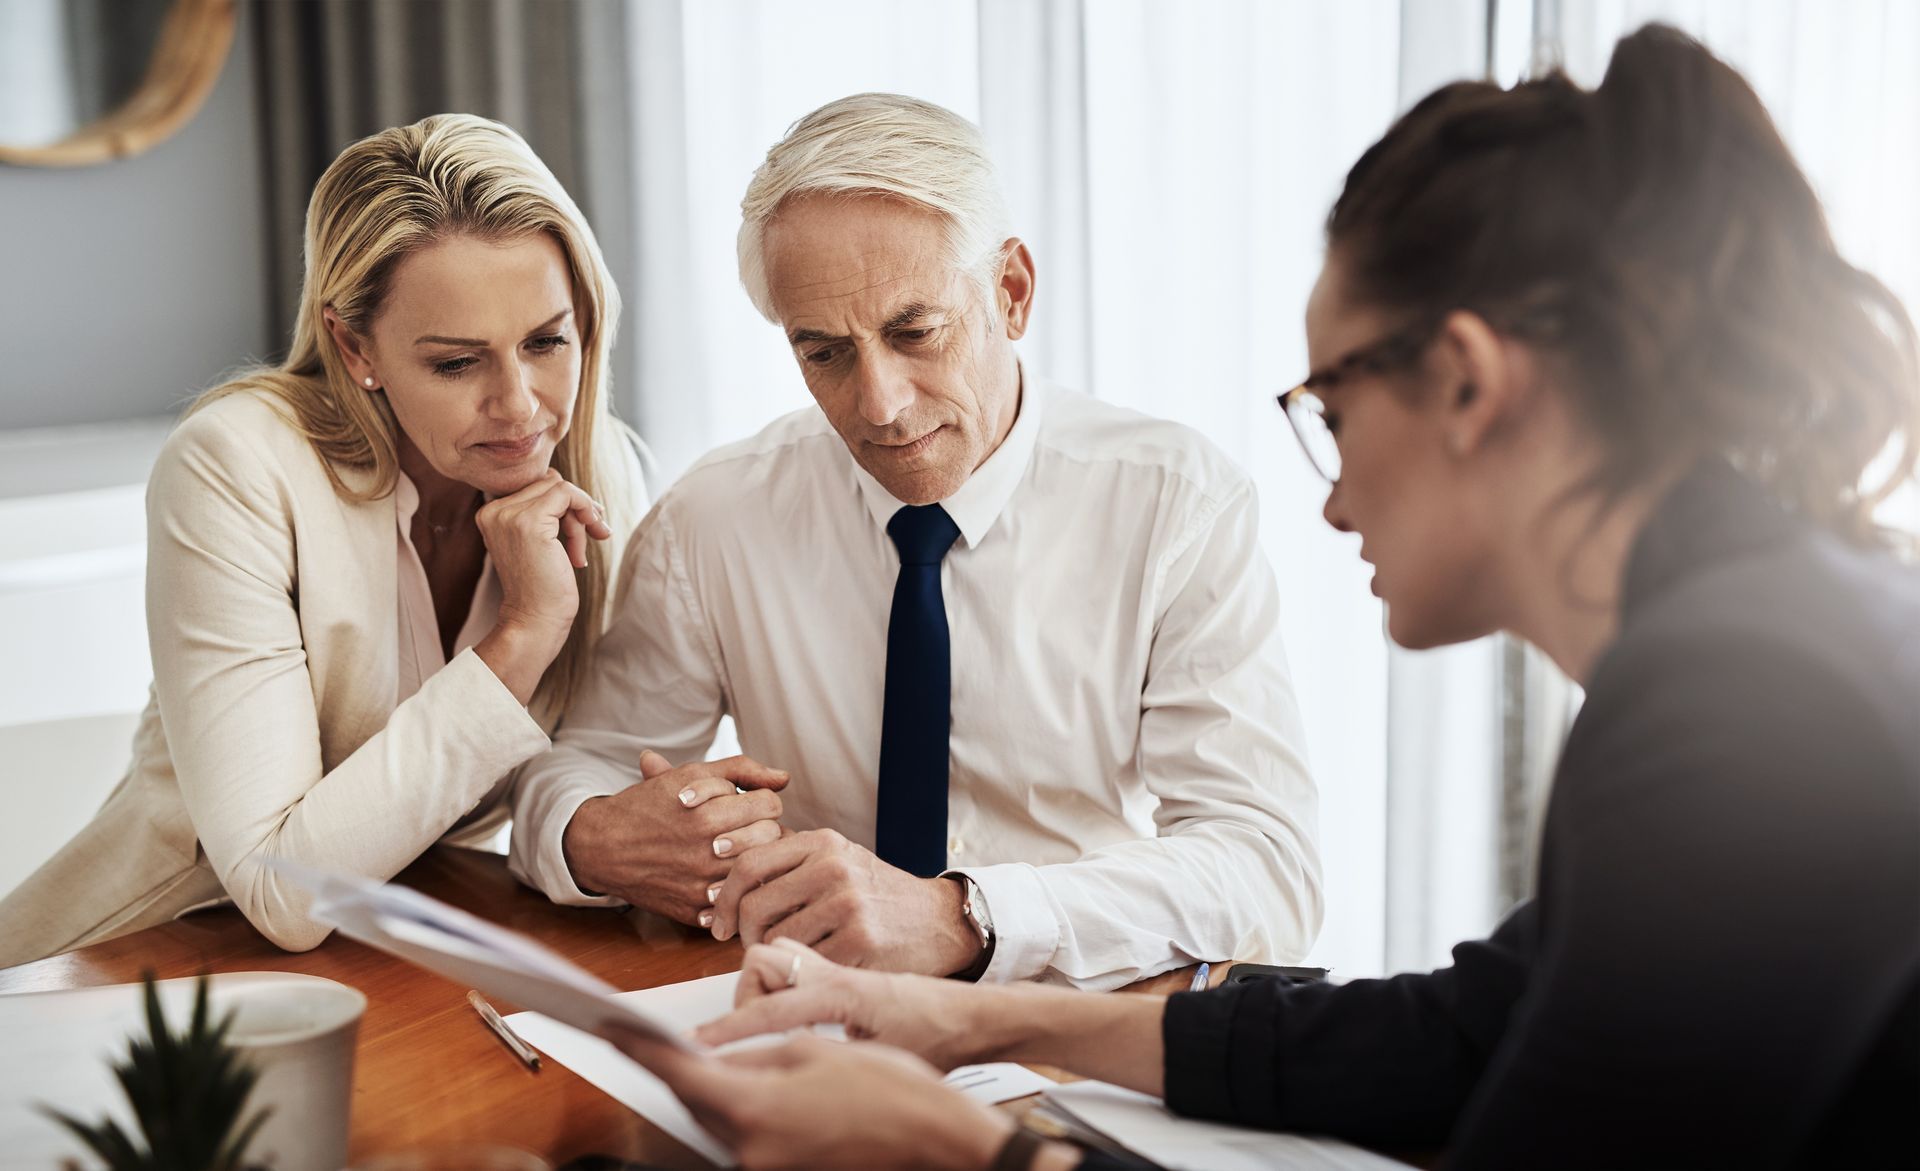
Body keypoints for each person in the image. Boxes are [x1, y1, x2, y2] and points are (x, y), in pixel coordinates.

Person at [604, 26, 1920, 1171]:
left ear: (1466, 382)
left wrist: (965, 1141)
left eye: (1331, 411)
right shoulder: (1752, 637)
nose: (1334, 498)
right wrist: (972, 1020)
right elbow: (1466, 1030)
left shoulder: (1751, 714)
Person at [507, 93, 1323, 989]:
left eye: (915, 333)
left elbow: (1266, 864)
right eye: (824, 352)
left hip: (1072, 1019)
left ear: (1010, 293)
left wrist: (965, 915)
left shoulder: (1174, 504)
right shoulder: (717, 515)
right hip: (808, 1016)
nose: (881, 403)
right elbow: (578, 768)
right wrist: (597, 836)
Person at [0, 115, 749, 967]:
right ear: (356, 346)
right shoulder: (236, 466)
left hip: (396, 963)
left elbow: (585, 771)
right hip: (132, 964)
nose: (521, 404)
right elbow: (282, 889)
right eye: (458, 363)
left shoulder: (601, 473)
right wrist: (520, 638)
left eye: (547, 341)